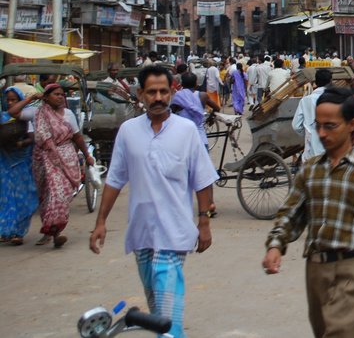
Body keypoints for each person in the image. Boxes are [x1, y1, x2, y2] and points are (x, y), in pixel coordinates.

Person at [263, 90, 354, 336]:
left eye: (330, 126)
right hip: (315, 269)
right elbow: (291, 214)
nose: (321, 134)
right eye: (318, 126)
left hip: (350, 270)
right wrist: (276, 245)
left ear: (353, 125)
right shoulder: (310, 171)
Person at [90, 66, 217, 338]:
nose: (158, 97)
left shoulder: (186, 131)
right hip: (141, 233)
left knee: (169, 317)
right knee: (157, 308)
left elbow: (203, 179)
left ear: (172, 92)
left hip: (174, 234)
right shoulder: (127, 131)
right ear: (140, 95)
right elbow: (115, 179)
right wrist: (100, 222)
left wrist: (204, 221)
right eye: (151, 92)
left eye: (163, 91)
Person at [28, 83, 93, 248]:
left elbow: (77, 137)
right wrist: (30, 98)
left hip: (66, 156)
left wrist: (87, 155)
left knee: (59, 194)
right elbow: (33, 133)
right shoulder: (38, 114)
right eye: (56, 94)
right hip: (43, 158)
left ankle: (55, 232)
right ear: (47, 96)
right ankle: (51, 232)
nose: (60, 97)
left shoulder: (69, 114)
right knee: (46, 196)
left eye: (62, 94)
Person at [0, 87, 37, 245]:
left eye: (13, 99)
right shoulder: (2, 117)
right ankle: (6, 231)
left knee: (23, 197)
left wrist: (21, 143)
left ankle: (19, 233)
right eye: (8, 99)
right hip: (5, 162)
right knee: (6, 197)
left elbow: (32, 138)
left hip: (22, 161)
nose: (10, 102)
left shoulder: (25, 116)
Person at [292, 69, 336, 161]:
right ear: (330, 82)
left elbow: (296, 126)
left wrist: (308, 133)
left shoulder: (305, 101)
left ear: (316, 83)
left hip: (311, 153)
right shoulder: (335, 100)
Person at [169, 72, 220, 149]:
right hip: (201, 139)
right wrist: (211, 118)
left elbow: (170, 114)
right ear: (196, 84)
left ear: (182, 84)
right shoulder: (203, 95)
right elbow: (217, 108)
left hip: (184, 141)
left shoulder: (178, 96)